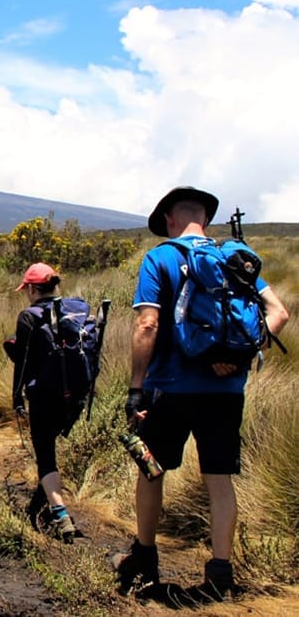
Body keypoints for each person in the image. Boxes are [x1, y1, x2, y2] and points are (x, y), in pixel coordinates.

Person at [113, 186, 289, 599]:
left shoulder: (161, 257)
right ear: (205, 220)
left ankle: (145, 557)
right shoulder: (235, 260)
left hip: (169, 389)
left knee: (151, 469)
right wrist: (241, 355)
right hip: (226, 393)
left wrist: (136, 388)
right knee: (219, 479)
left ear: (170, 220)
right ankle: (220, 574)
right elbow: (278, 313)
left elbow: (147, 325)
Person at [9, 262, 79, 542]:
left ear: (34, 289)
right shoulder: (75, 311)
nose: (26, 294)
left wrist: (16, 397)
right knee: (49, 448)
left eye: (27, 289)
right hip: (75, 396)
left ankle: (60, 515)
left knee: (45, 453)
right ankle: (39, 503)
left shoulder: (29, 317)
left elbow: (23, 364)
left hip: (44, 398)